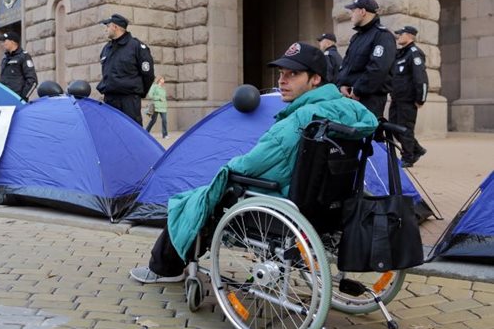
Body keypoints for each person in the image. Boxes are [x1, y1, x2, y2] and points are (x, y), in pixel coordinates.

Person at [130, 42, 378, 283]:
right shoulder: (349, 110)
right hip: (328, 205)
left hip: (284, 203)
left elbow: (251, 163)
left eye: (293, 74)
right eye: (281, 73)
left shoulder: (300, 118)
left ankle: (164, 268)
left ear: (315, 79)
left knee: (194, 201)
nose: (282, 80)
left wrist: (226, 170)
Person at [337, 0, 396, 118]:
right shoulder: (357, 37)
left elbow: (378, 68)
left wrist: (358, 89)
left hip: (369, 99)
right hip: (349, 97)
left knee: (367, 135)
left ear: (362, 12)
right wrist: (341, 85)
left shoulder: (382, 36)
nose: (351, 15)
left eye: (353, 11)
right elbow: (346, 65)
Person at [97, 13, 155, 125]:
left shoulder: (136, 47)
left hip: (128, 101)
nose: (106, 30)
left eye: (107, 26)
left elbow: (148, 75)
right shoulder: (107, 48)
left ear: (115, 27)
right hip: (109, 100)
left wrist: (138, 93)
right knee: (112, 134)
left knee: (131, 136)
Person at [391, 26, 429, 168]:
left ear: (410, 36)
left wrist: (421, 99)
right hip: (396, 98)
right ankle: (417, 149)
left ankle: (408, 157)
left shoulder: (414, 53)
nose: (398, 36)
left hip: (408, 99)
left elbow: (421, 78)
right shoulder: (400, 54)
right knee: (394, 128)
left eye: (401, 34)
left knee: (405, 128)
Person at [0, 31, 38, 100]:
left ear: (13, 42)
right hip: (5, 99)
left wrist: (22, 98)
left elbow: (33, 81)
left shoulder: (24, 56)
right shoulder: (5, 58)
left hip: (17, 100)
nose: (2, 44)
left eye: (5, 41)